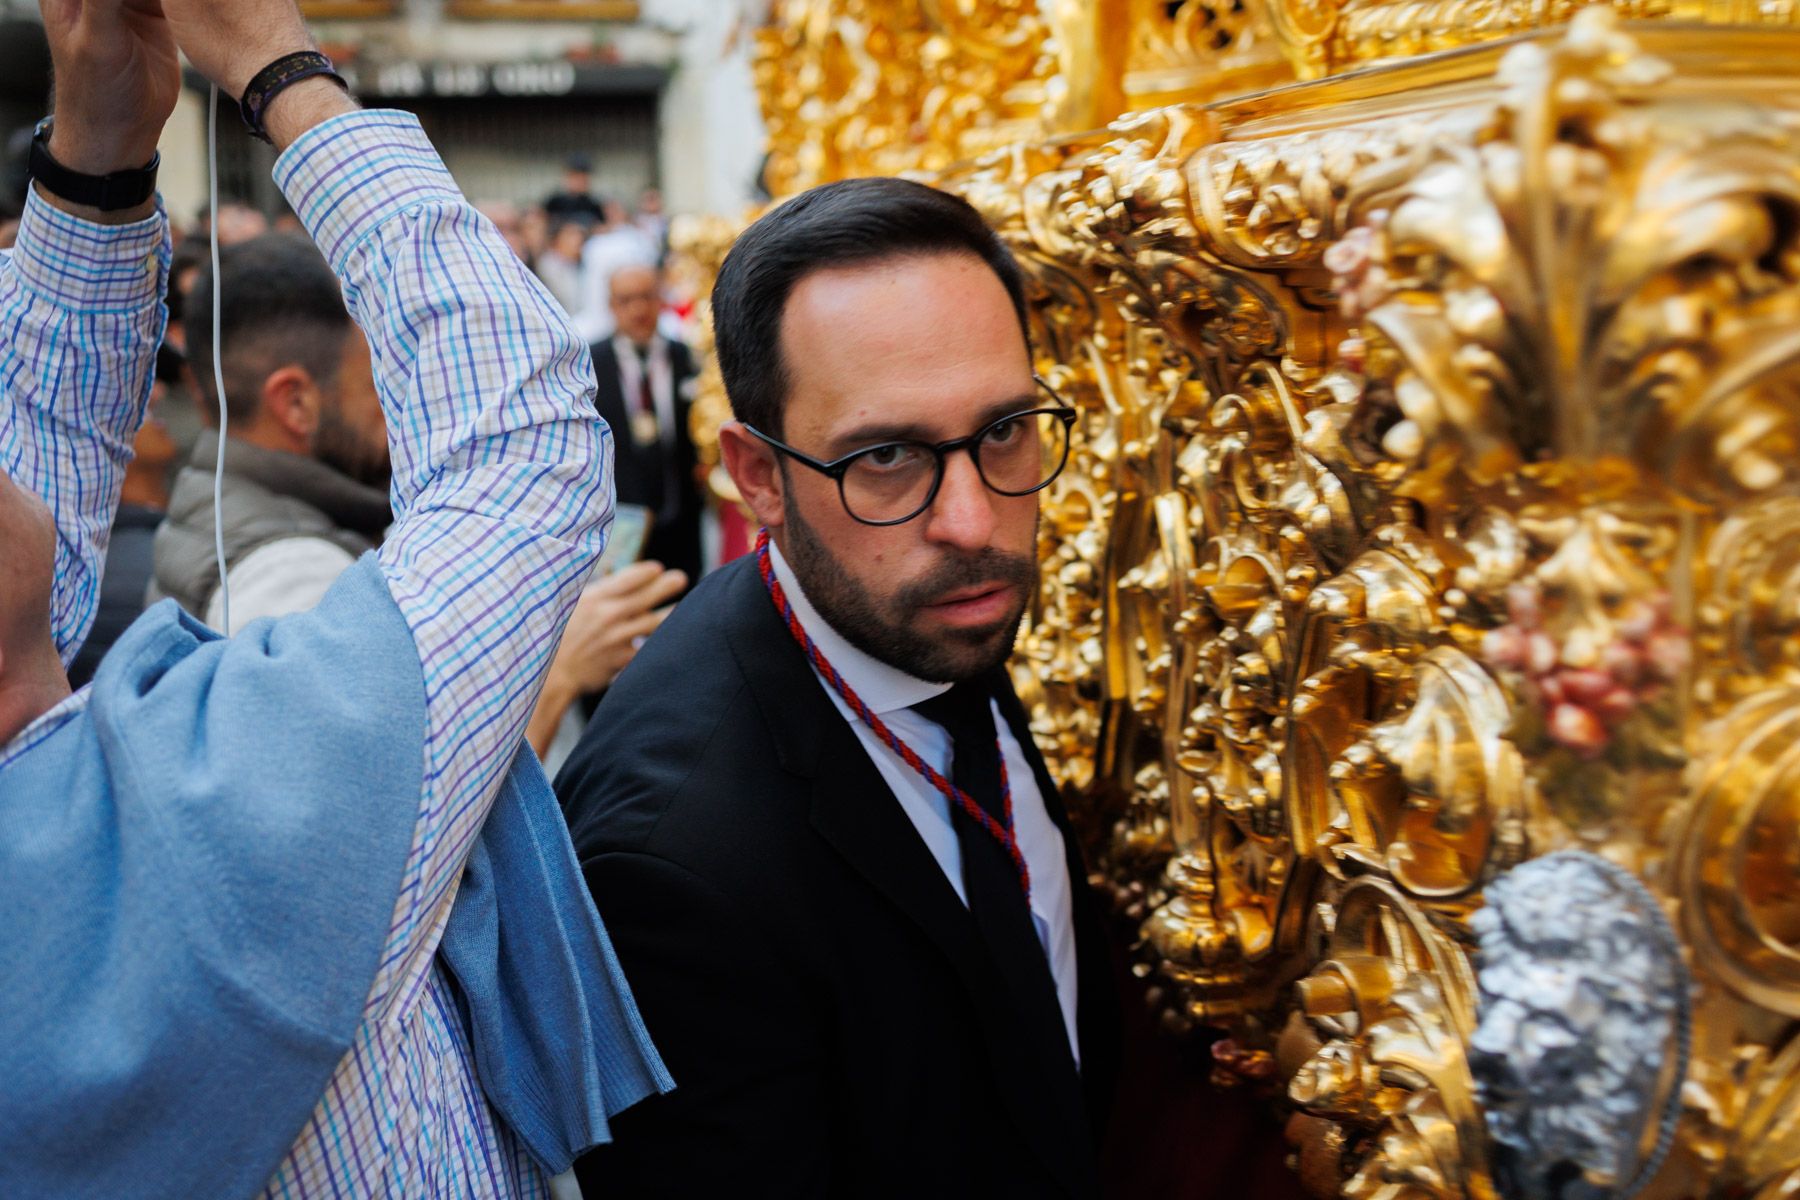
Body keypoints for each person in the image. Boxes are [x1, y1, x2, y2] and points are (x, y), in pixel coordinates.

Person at [0, 1, 668, 1196]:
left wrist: (96, 158)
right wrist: (279, 64)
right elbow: (521, 445)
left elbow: (37, 453)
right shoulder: (220, 821)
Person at [557, 177, 1120, 1196]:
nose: (971, 522)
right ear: (758, 478)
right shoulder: (671, 865)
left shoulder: (916, 615)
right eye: (888, 457)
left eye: (1004, 431)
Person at [149, 231, 390, 629]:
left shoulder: (216, 498)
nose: (394, 409)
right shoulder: (296, 578)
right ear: (296, 403)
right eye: (376, 383)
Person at [590, 262, 704, 582]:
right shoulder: (591, 365)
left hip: (682, 520)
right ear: (612, 306)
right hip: (623, 526)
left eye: (646, 297)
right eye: (626, 300)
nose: (638, 309)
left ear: (660, 300)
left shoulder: (687, 358)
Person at [544, 153, 605, 227]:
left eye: (583, 178)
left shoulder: (594, 206)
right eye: (576, 177)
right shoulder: (554, 203)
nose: (580, 182)